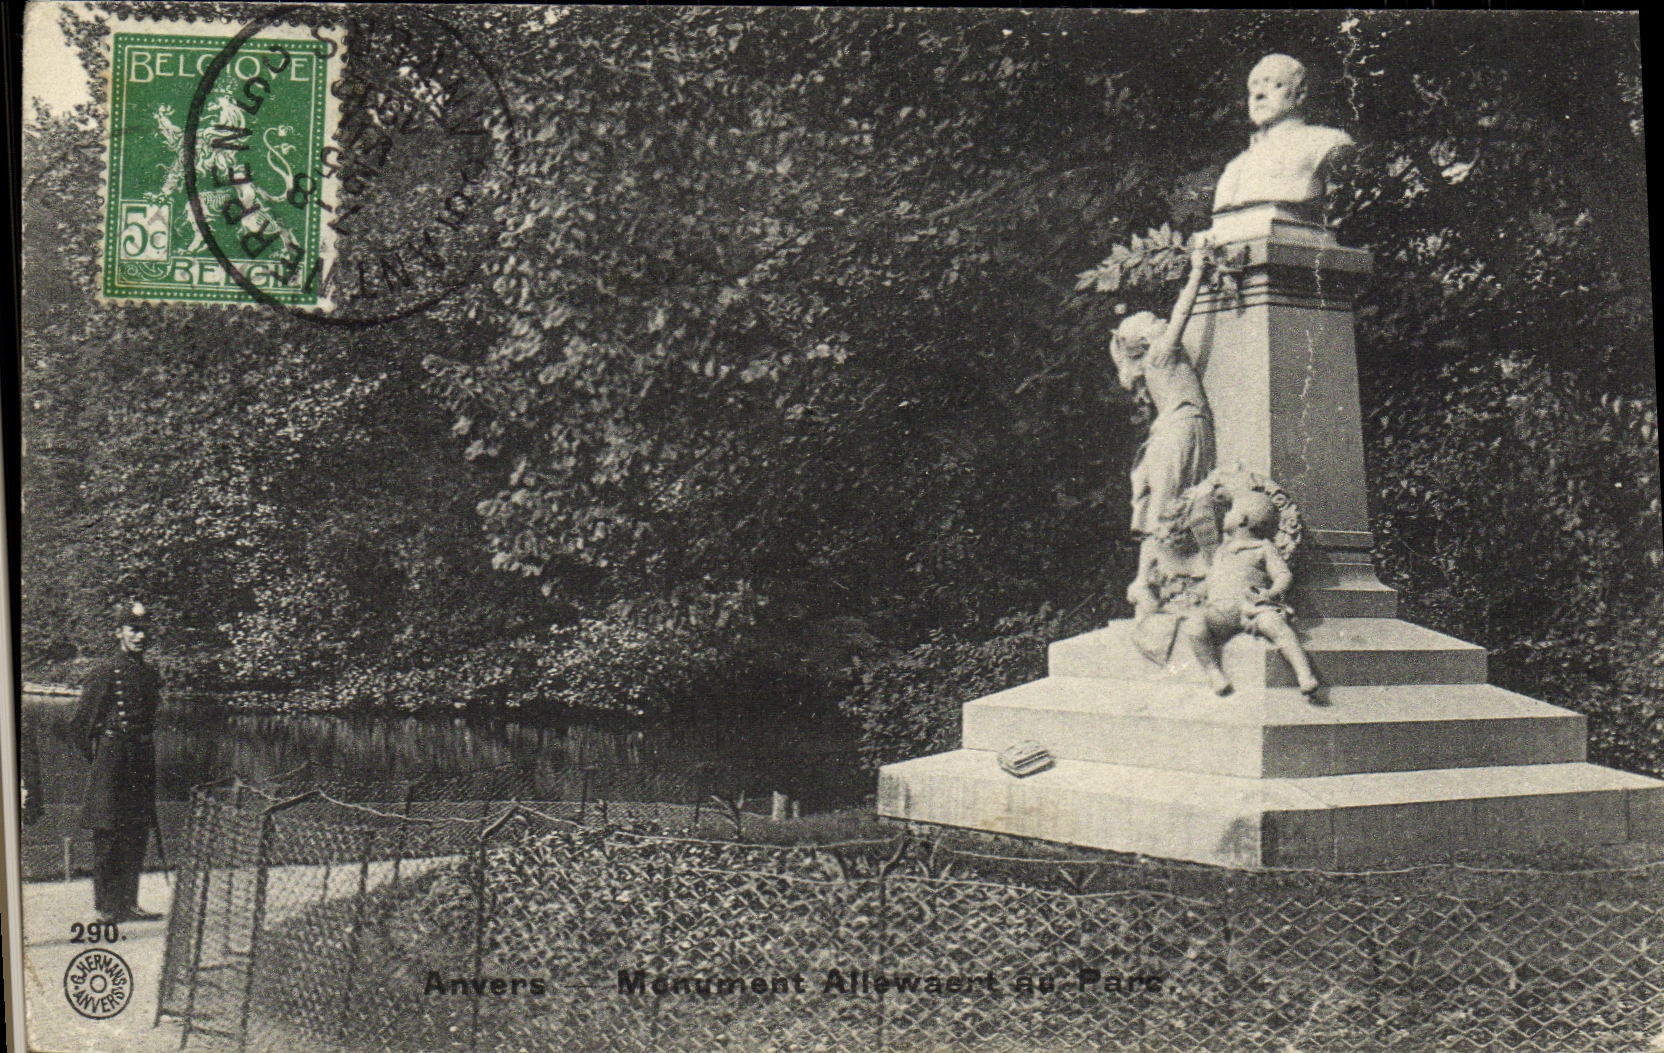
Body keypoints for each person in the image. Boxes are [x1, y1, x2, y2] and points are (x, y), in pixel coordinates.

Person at [1111, 240, 1217, 538]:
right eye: (1156, 321)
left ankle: (1153, 572)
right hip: (1184, 425)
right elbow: (1182, 313)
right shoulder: (1160, 355)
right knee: (1169, 504)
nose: (1163, 321)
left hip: (1170, 428)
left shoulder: (1146, 364)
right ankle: (1163, 567)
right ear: (1146, 341)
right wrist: (1196, 271)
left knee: (1164, 501)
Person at [70, 602, 165, 922]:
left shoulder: (151, 674)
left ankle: (129, 902)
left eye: (143, 631)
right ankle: (107, 906)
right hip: (113, 763)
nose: (139, 636)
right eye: (133, 630)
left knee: (137, 831)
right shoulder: (105, 672)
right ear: (119, 633)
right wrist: (102, 761)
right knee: (108, 834)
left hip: (140, 760)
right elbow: (80, 727)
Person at [1183, 491, 1322, 699]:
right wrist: (1197, 593)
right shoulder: (1223, 551)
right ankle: (1213, 672)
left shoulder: (1263, 548)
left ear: (1242, 519)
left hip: (1251, 610)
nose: (1225, 515)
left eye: (1230, 510)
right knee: (1194, 626)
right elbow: (1212, 578)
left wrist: (1270, 593)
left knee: (1275, 625)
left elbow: (1283, 575)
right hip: (1218, 612)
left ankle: (1304, 673)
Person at [1212, 54, 1355, 217]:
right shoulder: (1235, 167)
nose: (1258, 94)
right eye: (1253, 87)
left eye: (1274, 85)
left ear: (1299, 93)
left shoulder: (1327, 142)